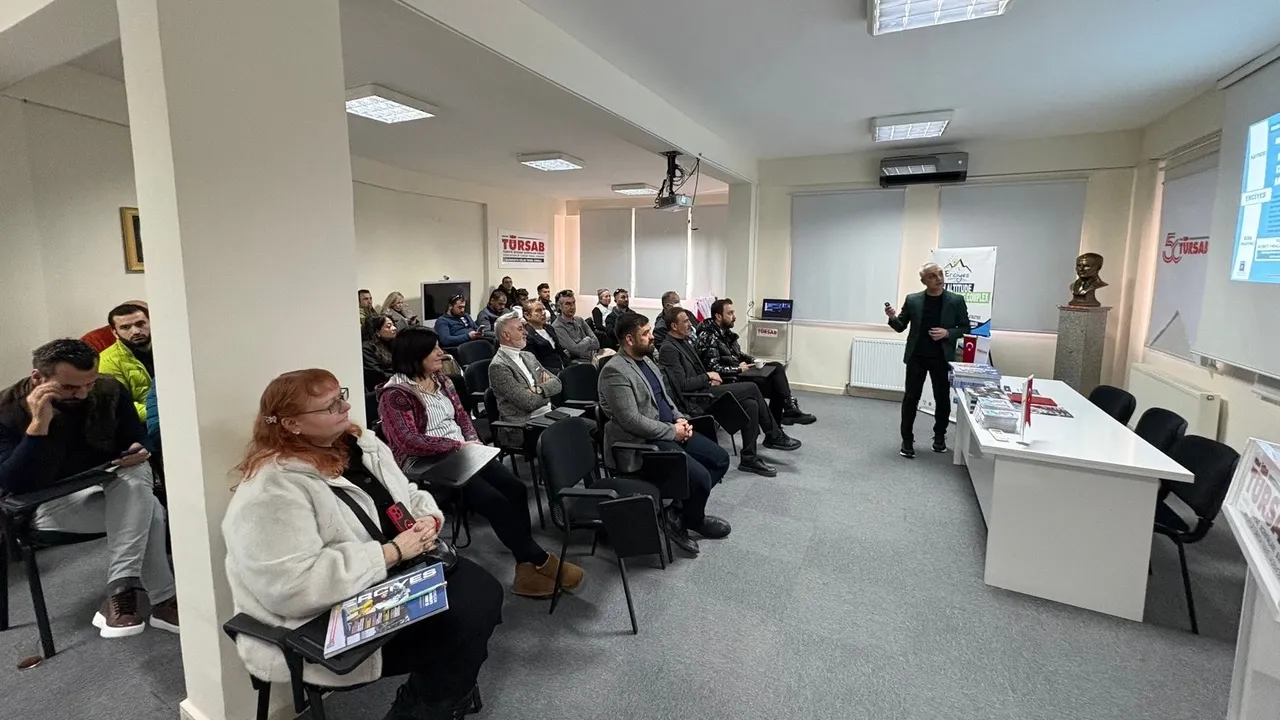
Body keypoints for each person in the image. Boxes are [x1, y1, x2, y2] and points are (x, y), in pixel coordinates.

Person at [222, 368, 503, 720]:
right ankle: (426, 705)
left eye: (341, 396)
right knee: (465, 622)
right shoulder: (272, 489)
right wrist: (391, 552)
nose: (346, 407)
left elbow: (407, 493)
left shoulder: (361, 444)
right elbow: (292, 587)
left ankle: (438, 698)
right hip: (319, 615)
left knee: (483, 594)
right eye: (330, 406)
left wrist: (427, 519)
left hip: (387, 575)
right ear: (292, 424)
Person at [378, 327, 584, 598]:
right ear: (415, 355)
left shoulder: (441, 380)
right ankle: (540, 559)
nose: (441, 353)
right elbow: (408, 441)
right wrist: (456, 445)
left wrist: (473, 441)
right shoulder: (395, 395)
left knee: (515, 489)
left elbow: (462, 417)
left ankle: (524, 567)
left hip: (461, 452)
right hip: (428, 463)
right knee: (494, 501)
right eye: (433, 349)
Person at [0, 339, 177, 637]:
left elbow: (137, 437)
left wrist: (140, 448)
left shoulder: (109, 389)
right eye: (69, 388)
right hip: (46, 506)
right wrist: (38, 426)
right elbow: (13, 482)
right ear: (38, 378)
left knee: (137, 474)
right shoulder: (6, 410)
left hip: (108, 487)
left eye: (89, 384)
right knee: (151, 510)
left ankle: (120, 589)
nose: (83, 394)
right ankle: (163, 600)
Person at [598, 312, 731, 556]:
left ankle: (677, 514)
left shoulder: (647, 361)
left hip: (670, 429)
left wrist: (680, 418)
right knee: (700, 478)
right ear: (629, 339)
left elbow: (665, 399)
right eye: (645, 334)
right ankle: (693, 519)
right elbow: (632, 421)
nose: (652, 337)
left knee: (720, 460)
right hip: (643, 442)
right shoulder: (614, 371)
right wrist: (673, 431)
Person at [659, 307, 800, 478]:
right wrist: (707, 376)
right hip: (697, 398)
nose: (690, 324)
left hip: (706, 388)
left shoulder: (684, 341)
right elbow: (682, 385)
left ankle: (748, 458)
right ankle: (773, 435)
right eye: (686, 321)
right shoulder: (669, 349)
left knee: (751, 404)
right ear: (674, 326)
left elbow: (694, 372)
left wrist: (708, 378)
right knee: (751, 388)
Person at [886, 262, 972, 458]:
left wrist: (947, 333)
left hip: (941, 358)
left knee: (942, 399)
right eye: (932, 276)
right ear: (923, 280)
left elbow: (966, 327)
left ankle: (939, 437)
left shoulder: (956, 300)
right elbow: (900, 326)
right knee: (911, 399)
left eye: (940, 273)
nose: (938, 278)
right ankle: (907, 440)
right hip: (917, 357)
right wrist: (892, 318)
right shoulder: (913, 300)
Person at [697, 299, 816, 427]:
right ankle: (783, 417)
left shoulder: (725, 333)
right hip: (730, 379)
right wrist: (738, 369)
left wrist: (753, 360)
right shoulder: (708, 336)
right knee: (776, 385)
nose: (734, 317)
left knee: (777, 367)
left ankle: (786, 411)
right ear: (718, 316)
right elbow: (713, 368)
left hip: (739, 372)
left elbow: (738, 354)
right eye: (730, 313)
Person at [488, 313, 561, 446]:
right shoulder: (498, 366)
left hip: (549, 414)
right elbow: (528, 403)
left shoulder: (528, 356)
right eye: (520, 329)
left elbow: (557, 383)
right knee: (571, 436)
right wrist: (548, 393)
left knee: (587, 427)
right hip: (525, 425)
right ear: (506, 335)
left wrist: (539, 389)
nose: (526, 332)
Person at [98, 303, 155, 422]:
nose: (136, 331)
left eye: (140, 324)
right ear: (114, 332)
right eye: (125, 327)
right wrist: (160, 414)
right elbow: (122, 405)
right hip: (142, 423)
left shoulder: (167, 348)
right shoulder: (108, 361)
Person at [522, 299, 569, 373]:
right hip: (547, 372)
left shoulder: (549, 328)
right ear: (527, 315)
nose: (544, 313)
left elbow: (559, 350)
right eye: (538, 310)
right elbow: (533, 362)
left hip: (563, 367)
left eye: (544, 309)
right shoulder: (526, 335)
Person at [551, 294, 600, 363]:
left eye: (573, 303)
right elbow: (576, 350)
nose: (572, 307)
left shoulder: (579, 320)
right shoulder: (557, 326)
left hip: (593, 357)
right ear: (560, 307)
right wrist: (588, 339)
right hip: (578, 362)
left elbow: (596, 343)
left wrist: (579, 345)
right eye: (568, 304)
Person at [362, 314, 397, 391]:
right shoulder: (367, 348)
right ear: (377, 331)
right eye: (388, 326)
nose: (394, 328)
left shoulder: (394, 343)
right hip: (381, 388)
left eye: (393, 325)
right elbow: (375, 374)